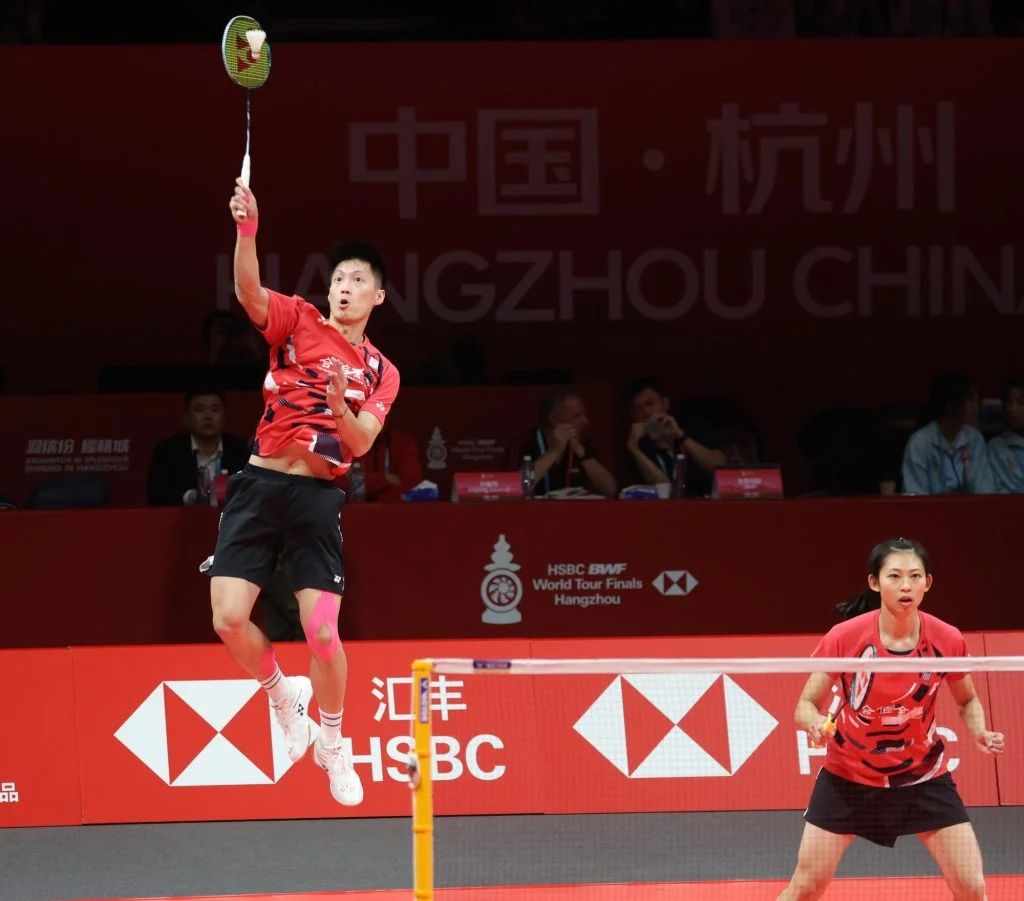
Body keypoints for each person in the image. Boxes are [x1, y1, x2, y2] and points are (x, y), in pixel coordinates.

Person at [207, 178, 400, 807]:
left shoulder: (382, 371)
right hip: (260, 484)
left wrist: (341, 407)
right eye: (338, 277)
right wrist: (247, 229)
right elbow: (248, 292)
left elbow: (361, 442)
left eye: (357, 279)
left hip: (316, 498)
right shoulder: (298, 319)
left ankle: (334, 743)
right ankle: (283, 696)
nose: (343, 286)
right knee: (228, 618)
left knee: (322, 635)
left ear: (377, 295)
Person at [778, 538, 1004, 901]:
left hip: (923, 777)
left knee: (972, 888)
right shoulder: (845, 637)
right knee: (805, 887)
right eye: (894, 576)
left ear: (928, 583)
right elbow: (806, 703)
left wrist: (979, 730)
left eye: (915, 576)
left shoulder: (947, 639)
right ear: (874, 582)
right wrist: (814, 722)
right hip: (848, 778)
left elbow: (968, 700)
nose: (905, 586)